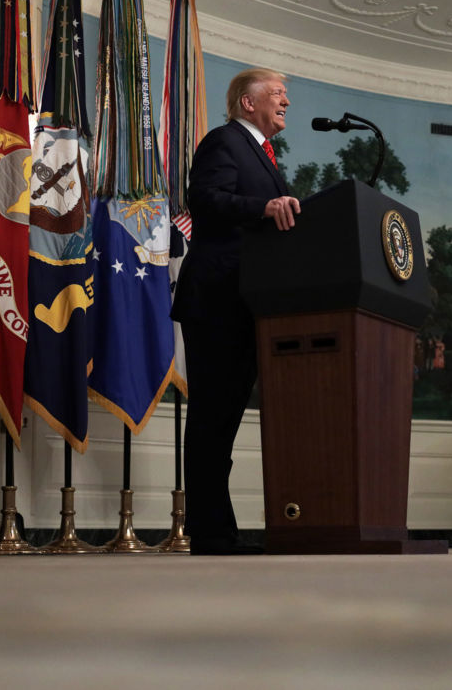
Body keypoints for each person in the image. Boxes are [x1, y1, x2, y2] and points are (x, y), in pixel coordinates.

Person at [171, 68, 302, 555]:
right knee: (211, 419)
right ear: (248, 104)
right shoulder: (224, 141)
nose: (286, 100)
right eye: (276, 93)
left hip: (245, 301)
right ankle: (210, 535)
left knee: (223, 420)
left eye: (285, 94)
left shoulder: (264, 154)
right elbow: (205, 199)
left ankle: (217, 532)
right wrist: (264, 207)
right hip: (217, 299)